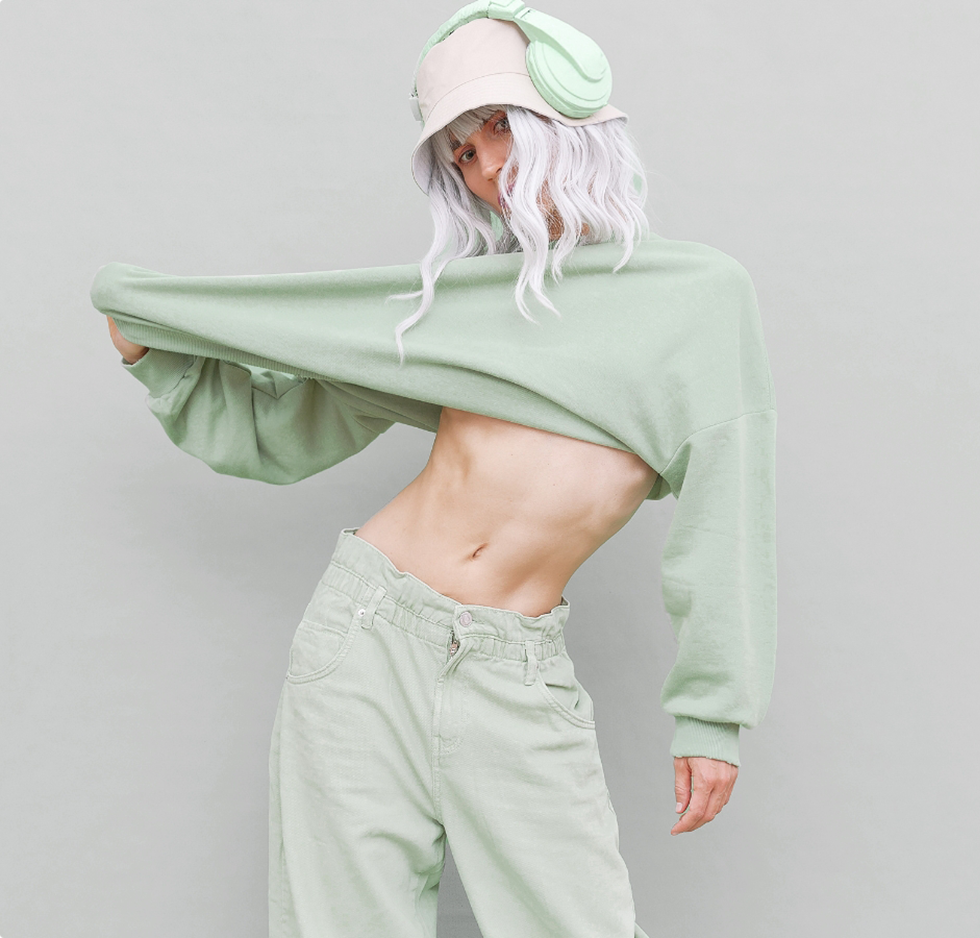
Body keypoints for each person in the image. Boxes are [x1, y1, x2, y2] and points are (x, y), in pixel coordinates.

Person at [101, 4, 776, 936]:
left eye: (496, 125)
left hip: (514, 671)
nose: (486, 165)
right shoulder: (462, 305)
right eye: (461, 153)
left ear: (565, 111)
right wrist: (158, 361)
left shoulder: (698, 299)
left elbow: (728, 517)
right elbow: (282, 434)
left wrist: (712, 716)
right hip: (364, 634)